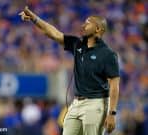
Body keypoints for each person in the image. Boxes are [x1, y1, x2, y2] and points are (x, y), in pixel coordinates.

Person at [19, 6, 120, 135]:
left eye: (88, 23)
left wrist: (112, 113)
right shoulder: (77, 44)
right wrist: (35, 19)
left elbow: (114, 85)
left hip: (96, 104)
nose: (83, 25)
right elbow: (54, 34)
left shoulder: (108, 54)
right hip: (76, 103)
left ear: (98, 29)